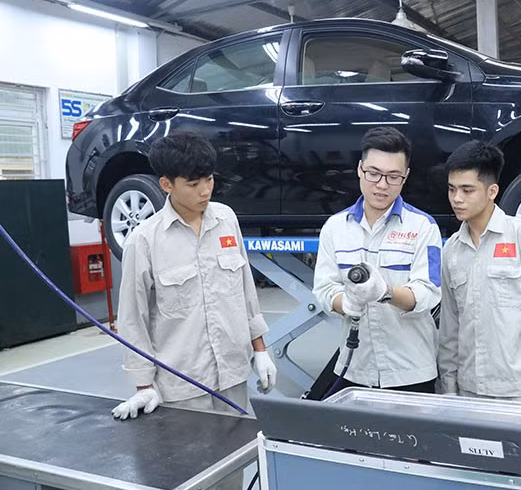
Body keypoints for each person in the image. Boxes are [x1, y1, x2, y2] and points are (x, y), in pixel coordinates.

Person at [112, 132, 277, 421]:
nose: (205, 191)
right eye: (193, 184)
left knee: (233, 461)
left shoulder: (227, 220)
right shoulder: (144, 241)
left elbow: (245, 291)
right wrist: (143, 384)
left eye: (209, 179)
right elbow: (132, 319)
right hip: (182, 384)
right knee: (191, 465)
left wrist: (260, 349)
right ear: (166, 184)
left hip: (233, 374)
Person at [313, 126, 442, 395]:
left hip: (410, 371)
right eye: (374, 174)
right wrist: (346, 302)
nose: (382, 185)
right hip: (354, 368)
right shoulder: (335, 228)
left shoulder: (423, 227)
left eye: (393, 177)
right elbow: (325, 290)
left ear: (405, 177)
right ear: (360, 169)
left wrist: (386, 292)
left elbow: (428, 293)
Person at [438, 141, 521, 404]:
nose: (456, 199)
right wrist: (448, 384)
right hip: (467, 390)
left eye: (467, 190)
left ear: (492, 191)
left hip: (517, 391)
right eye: (452, 189)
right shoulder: (451, 250)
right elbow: (450, 325)